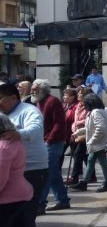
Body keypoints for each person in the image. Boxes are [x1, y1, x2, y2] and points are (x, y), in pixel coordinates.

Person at [0, 84, 47, 227]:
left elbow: (36, 130)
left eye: (1, 98)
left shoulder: (29, 111)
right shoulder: (5, 114)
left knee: (21, 218)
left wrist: (17, 134)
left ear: (13, 97)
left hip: (32, 169)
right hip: (13, 171)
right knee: (18, 224)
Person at [31, 79, 70, 212]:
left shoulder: (52, 101)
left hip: (53, 142)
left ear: (43, 89)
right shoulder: (38, 102)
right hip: (44, 141)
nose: (32, 91)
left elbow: (59, 123)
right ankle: (63, 200)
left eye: (35, 89)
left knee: (46, 173)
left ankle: (40, 203)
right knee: (53, 173)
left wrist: (49, 139)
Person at [69, 94, 107, 193]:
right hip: (99, 141)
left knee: (94, 160)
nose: (84, 105)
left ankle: (87, 182)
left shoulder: (95, 112)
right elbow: (90, 127)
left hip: (97, 142)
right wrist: (78, 132)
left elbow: (100, 128)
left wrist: (92, 140)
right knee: (96, 161)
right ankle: (104, 182)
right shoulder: (99, 111)